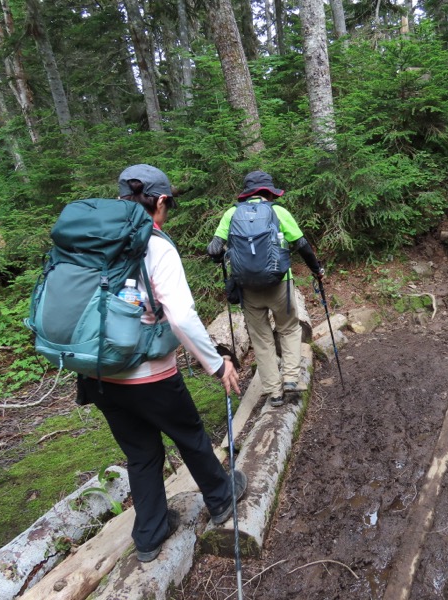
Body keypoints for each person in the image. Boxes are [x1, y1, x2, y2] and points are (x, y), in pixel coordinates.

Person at [77, 164, 247, 563]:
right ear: (162, 201)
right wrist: (216, 364)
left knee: (141, 454)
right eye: (168, 205)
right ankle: (221, 499)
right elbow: (181, 317)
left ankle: (150, 535)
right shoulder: (155, 245)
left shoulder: (90, 242)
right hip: (148, 375)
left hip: (98, 374)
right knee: (189, 435)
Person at [207, 171, 324, 407]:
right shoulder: (278, 212)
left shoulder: (231, 214)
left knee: (261, 339)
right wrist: (316, 269)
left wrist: (224, 257)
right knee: (289, 329)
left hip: (248, 288)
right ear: (269, 192)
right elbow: (301, 244)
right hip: (280, 283)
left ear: (247, 194)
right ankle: (290, 379)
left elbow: (214, 249)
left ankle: (274, 392)